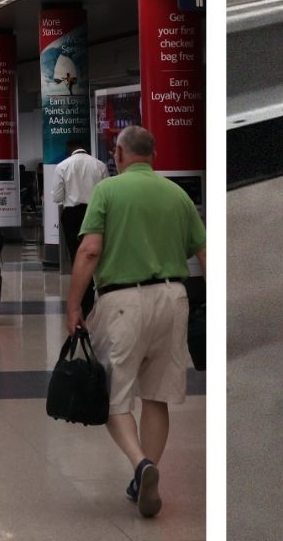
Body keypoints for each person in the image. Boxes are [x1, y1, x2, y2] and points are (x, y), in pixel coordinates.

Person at [65, 125, 206, 519]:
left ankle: (140, 464)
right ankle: (145, 473)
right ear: (154, 154)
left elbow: (90, 250)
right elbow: (204, 251)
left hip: (123, 300)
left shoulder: (108, 191)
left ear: (119, 154)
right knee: (156, 396)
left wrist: (74, 304)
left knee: (113, 395)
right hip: (173, 298)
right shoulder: (176, 195)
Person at [51, 140, 111, 291]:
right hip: (94, 212)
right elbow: (108, 193)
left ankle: (80, 285)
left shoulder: (62, 166)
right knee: (95, 248)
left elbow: (57, 197)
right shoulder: (100, 165)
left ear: (69, 149)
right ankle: (96, 282)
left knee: (75, 250)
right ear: (85, 148)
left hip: (71, 214)